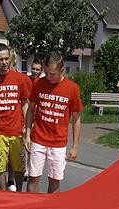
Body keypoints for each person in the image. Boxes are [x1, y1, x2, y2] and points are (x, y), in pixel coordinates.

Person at [24, 51, 82, 194]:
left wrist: (75, 146)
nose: (48, 77)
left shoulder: (72, 88)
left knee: (54, 181)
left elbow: (76, 119)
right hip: (38, 139)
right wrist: (27, 134)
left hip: (58, 142)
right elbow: (30, 110)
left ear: (61, 70)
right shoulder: (38, 83)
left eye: (52, 74)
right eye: (46, 73)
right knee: (33, 178)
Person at [0, 42, 31, 191]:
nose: (4, 62)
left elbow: (25, 104)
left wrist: (27, 127)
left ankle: (18, 192)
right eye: (0, 59)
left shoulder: (20, 79)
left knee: (19, 165)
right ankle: (2, 192)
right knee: (0, 166)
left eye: (6, 58)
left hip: (17, 131)